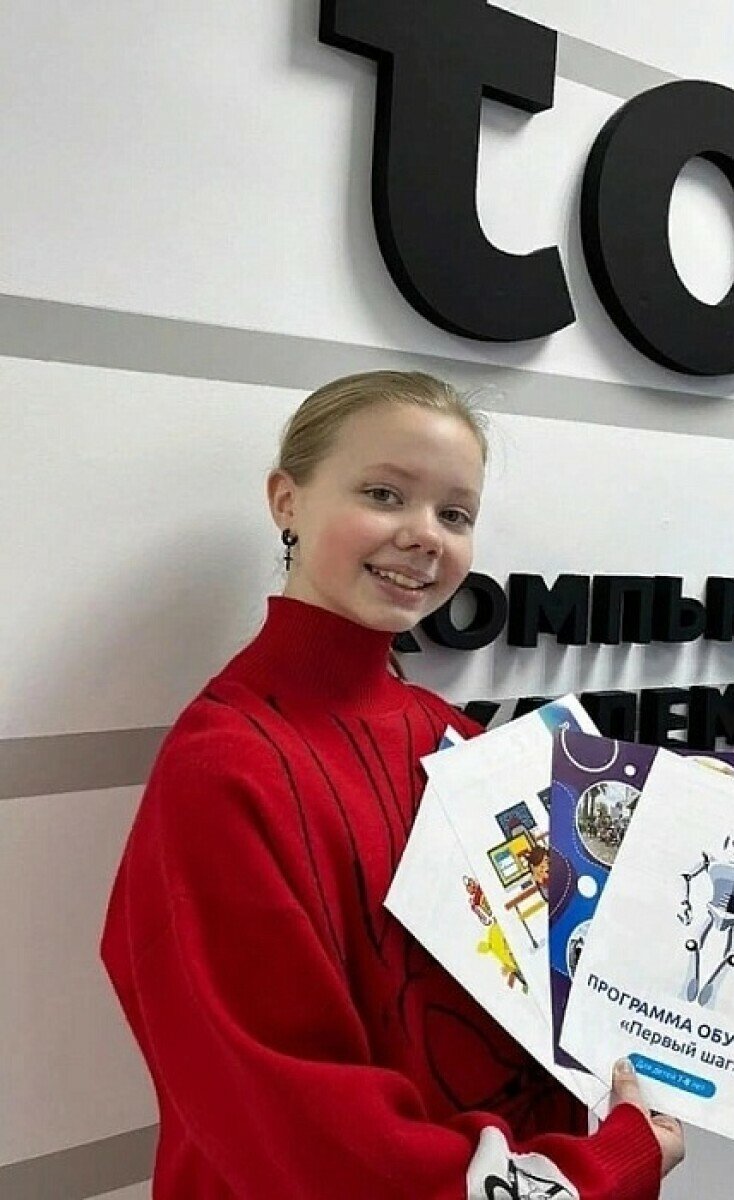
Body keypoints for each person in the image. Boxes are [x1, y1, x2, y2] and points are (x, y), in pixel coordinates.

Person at [100, 371, 685, 1198]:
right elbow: (298, 1130)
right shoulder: (223, 769)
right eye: (384, 494)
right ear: (286, 501)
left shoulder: (456, 741)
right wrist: (599, 1172)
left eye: (456, 514)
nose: (424, 536)